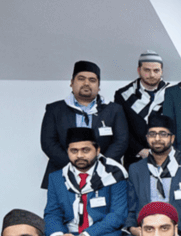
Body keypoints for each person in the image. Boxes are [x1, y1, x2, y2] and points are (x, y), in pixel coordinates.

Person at [91, 113, 181, 236]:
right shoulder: (136, 169)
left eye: (163, 134)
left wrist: (170, 231)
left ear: (172, 138)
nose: (157, 138)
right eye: (152, 134)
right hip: (142, 233)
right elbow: (131, 208)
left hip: (178, 234)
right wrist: (133, 229)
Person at [43, 127, 129, 236]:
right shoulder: (57, 177)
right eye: (74, 151)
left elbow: (117, 216)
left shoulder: (114, 175)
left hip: (101, 233)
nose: (80, 155)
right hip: (67, 232)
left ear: (97, 150)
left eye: (85, 150)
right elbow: (52, 213)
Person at [40, 60, 127, 188]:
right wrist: (76, 166)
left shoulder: (114, 110)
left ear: (98, 86)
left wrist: (99, 167)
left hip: (105, 176)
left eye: (92, 80)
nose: (86, 83)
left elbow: (121, 141)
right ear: (71, 83)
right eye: (81, 79)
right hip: (63, 173)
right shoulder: (55, 109)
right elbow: (48, 143)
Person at [113, 50, 172, 166]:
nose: (152, 75)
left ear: (162, 71)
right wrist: (141, 151)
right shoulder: (123, 95)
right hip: (135, 158)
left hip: (167, 156)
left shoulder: (172, 93)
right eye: (147, 70)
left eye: (156, 70)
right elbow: (121, 129)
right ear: (139, 70)